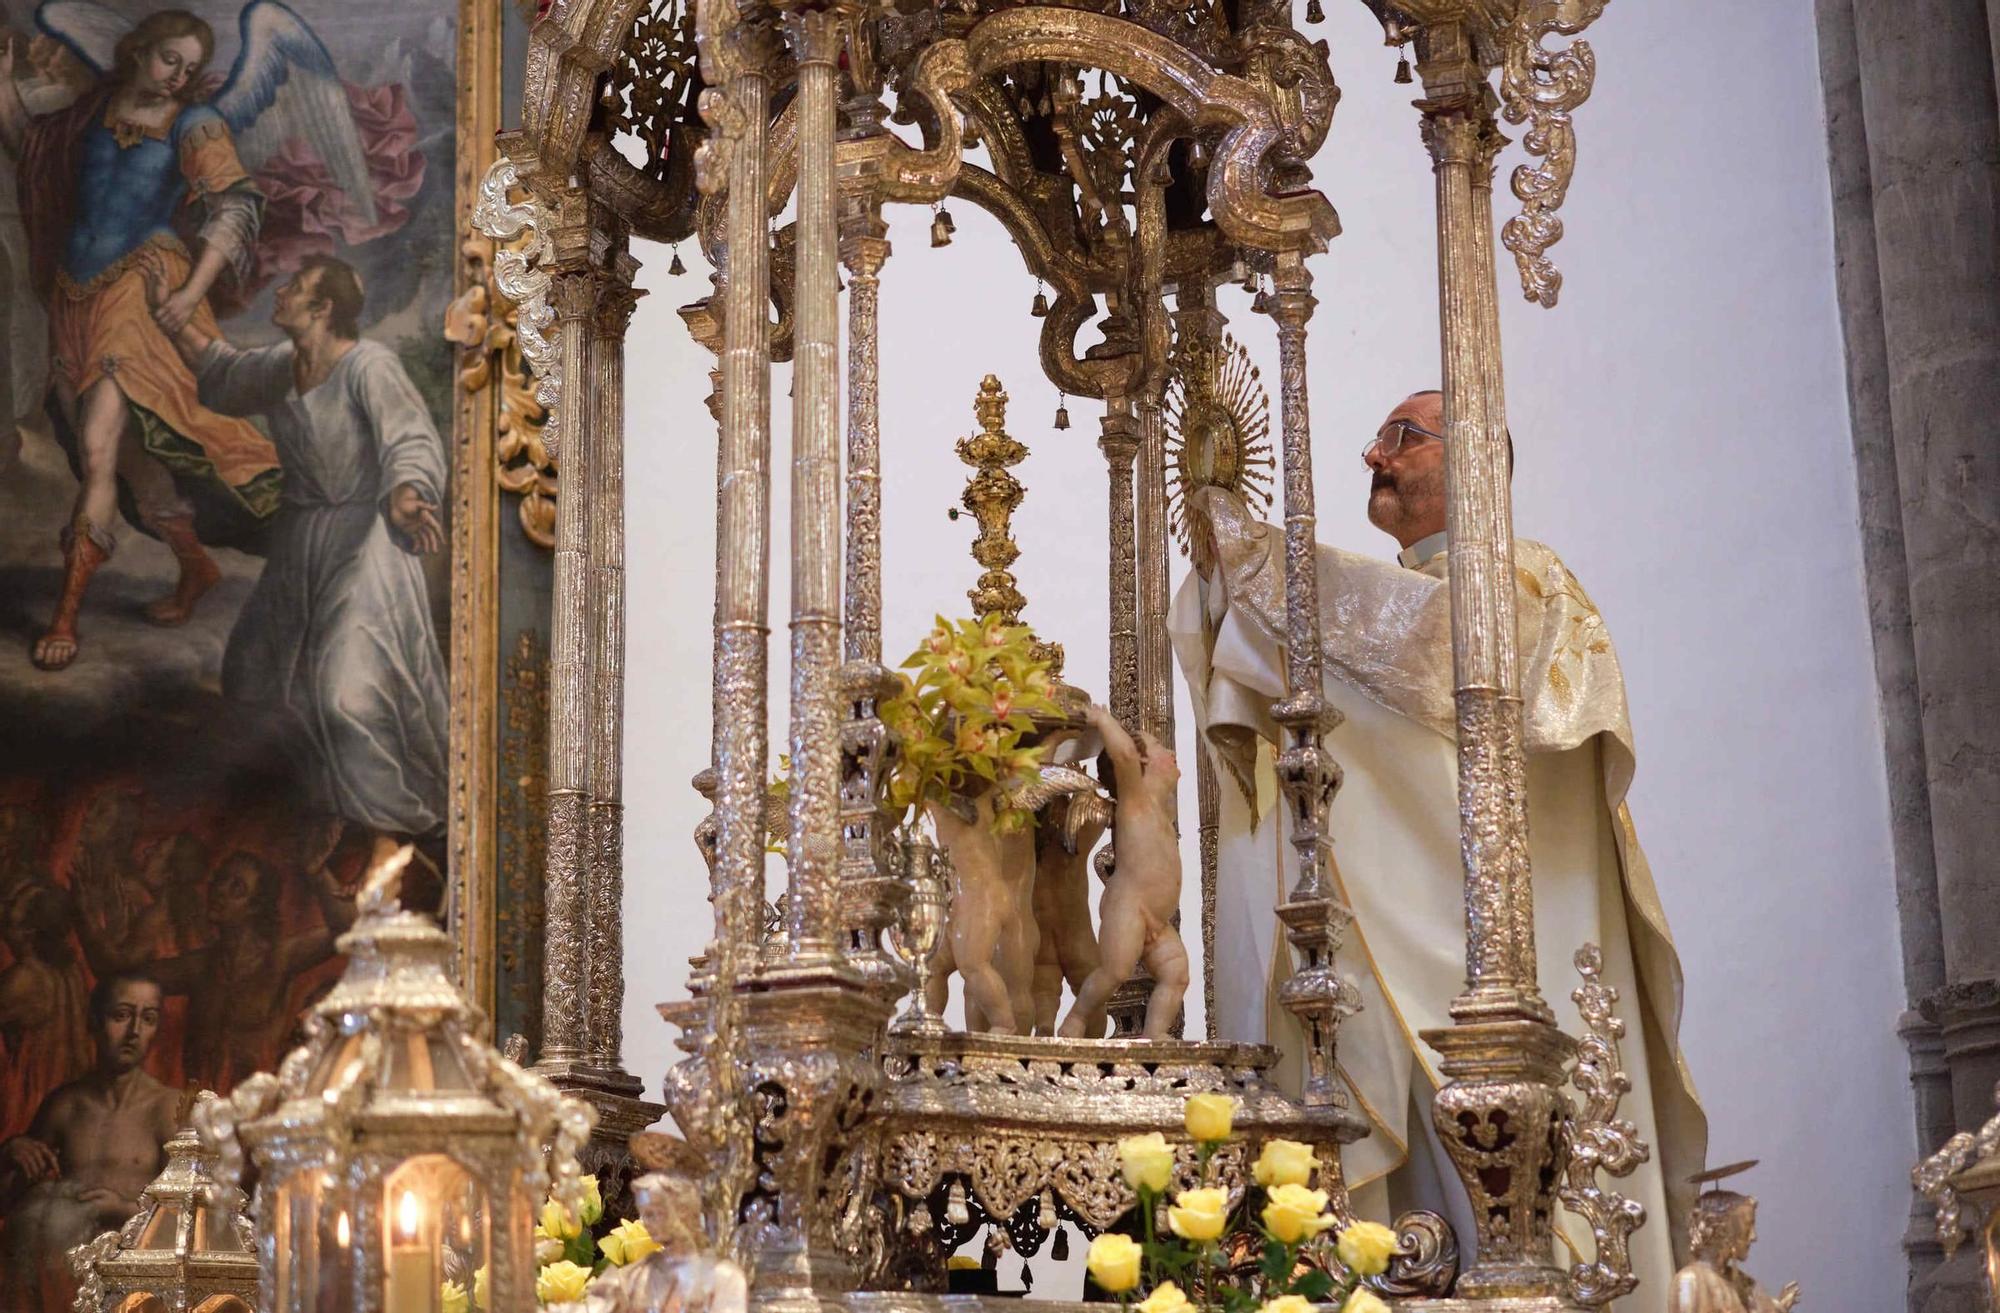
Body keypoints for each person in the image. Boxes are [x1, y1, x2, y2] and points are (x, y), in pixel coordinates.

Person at [1172, 390, 1706, 1299]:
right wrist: (1235, 581)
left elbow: (1422, 650)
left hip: (1507, 958)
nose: (1373, 458)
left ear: (1473, 458)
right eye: (1380, 439)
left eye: (1401, 439)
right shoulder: (1387, 602)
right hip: (1393, 953)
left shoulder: (1526, 584)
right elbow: (1308, 659)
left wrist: (1256, 556)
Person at [0, 10, 282, 670]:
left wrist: (189, 294)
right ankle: (195, 566)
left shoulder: (194, 123)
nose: (178, 77)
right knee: (125, 454)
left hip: (142, 293)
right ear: (137, 52)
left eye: (188, 69)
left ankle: (65, 614)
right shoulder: (92, 108)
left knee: (97, 449)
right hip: (75, 293)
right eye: (169, 61)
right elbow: (32, 155)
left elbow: (235, 205)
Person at [151, 255, 450, 839]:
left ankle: (399, 826)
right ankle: (321, 807)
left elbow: (409, 436)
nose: (280, 291)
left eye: (295, 288)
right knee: (253, 675)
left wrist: (407, 493)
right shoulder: (283, 367)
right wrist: (168, 315)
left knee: (344, 695)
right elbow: (221, 370)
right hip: (301, 538)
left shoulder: (369, 365)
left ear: (323, 309)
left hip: (365, 541)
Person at [81, 820, 355, 1088]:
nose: (221, 892)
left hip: (258, 1110)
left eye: (237, 888)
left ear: (255, 907)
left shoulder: (279, 959)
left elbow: (350, 930)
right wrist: (86, 920)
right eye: (221, 880)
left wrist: (318, 873)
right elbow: (117, 977)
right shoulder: (199, 968)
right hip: (200, 1113)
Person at [0, 971, 180, 1313]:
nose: (134, 1032)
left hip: (139, 1289)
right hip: (65, 1287)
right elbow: (8, 1201)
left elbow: (203, 1214)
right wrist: (11, 1153)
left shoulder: (170, 1109)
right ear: (94, 1023)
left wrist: (124, 1209)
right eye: (121, 1015)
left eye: (149, 1018)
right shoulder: (64, 1106)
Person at [1058, 703, 1188, 1040]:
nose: (1171, 751)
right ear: (1141, 762)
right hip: (1128, 908)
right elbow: (1125, 757)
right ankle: (1076, 1019)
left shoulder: (1161, 808)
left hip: (1157, 920)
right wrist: (1102, 721)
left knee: (1176, 974)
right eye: (1160, 747)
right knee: (1114, 971)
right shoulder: (1135, 802)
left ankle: (1154, 1034)